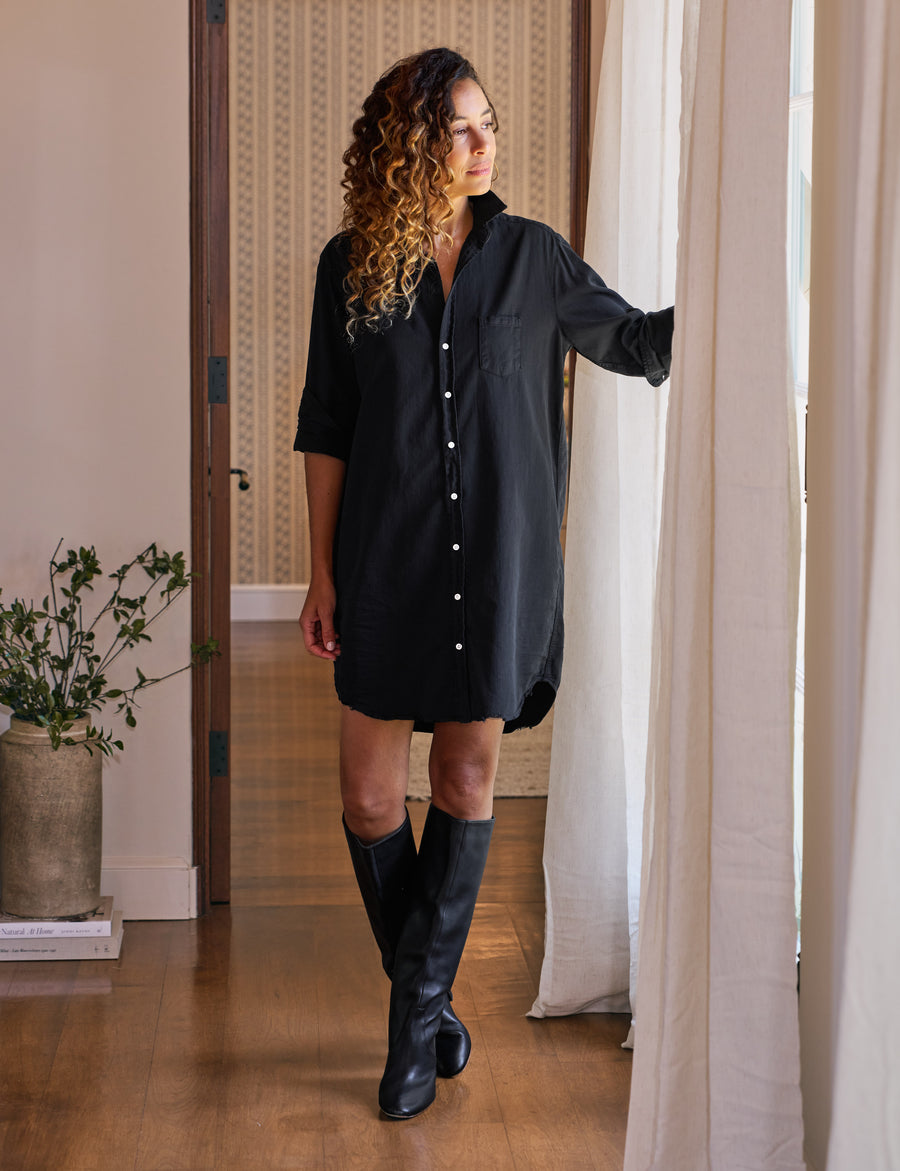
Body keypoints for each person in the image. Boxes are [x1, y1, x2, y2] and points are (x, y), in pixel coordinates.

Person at [294, 47, 673, 1120]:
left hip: (498, 572)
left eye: (487, 124)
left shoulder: (535, 259)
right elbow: (327, 428)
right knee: (369, 796)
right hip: (384, 563)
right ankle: (433, 997)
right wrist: (319, 571)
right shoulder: (351, 266)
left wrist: (729, 301)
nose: (484, 143)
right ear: (412, 145)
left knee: (463, 785)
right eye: (460, 128)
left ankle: (413, 1035)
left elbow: (635, 343)